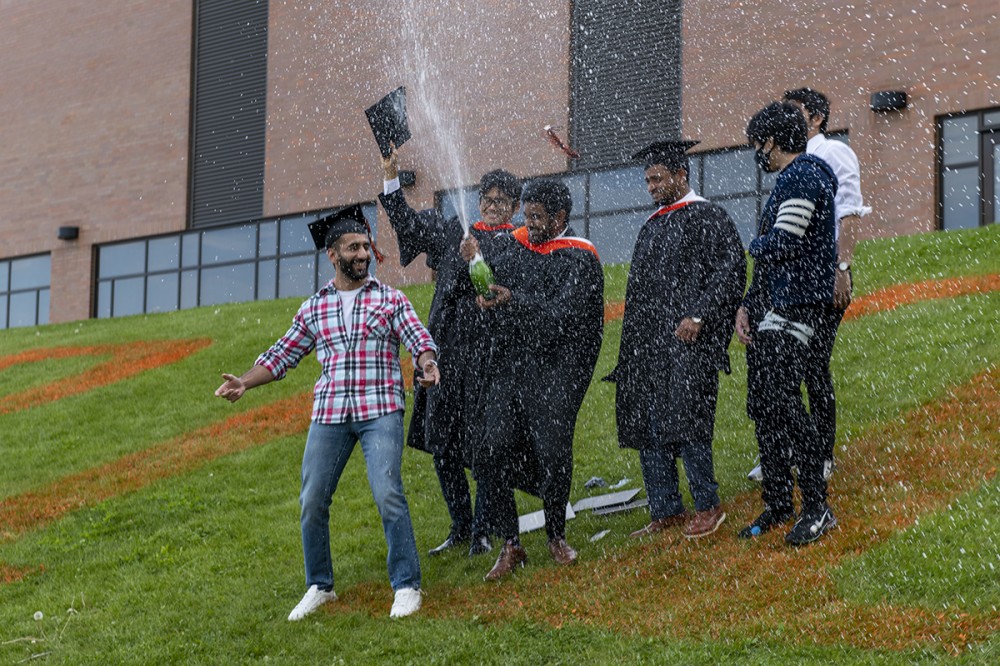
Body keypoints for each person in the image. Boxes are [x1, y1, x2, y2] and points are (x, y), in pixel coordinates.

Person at [214, 205, 440, 619]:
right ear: (333, 255)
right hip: (330, 415)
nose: (362, 253)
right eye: (353, 247)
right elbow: (282, 355)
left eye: (365, 246)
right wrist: (244, 382)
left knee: (388, 493)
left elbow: (418, 338)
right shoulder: (314, 307)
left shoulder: (390, 300)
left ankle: (406, 585)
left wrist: (427, 364)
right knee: (312, 499)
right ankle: (320, 585)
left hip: (380, 411)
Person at [378, 144, 521, 557]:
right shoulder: (454, 230)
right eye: (488, 199)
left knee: (481, 447)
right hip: (444, 354)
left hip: (489, 358)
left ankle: (483, 530)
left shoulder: (518, 243)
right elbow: (407, 223)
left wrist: (479, 261)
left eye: (502, 201)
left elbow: (502, 292)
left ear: (513, 206)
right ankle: (460, 525)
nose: (493, 206)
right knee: (443, 445)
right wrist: (391, 177)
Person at [464, 178, 604, 581]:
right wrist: (478, 272)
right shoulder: (516, 242)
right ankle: (511, 543)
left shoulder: (579, 257)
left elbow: (562, 316)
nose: (529, 223)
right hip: (510, 365)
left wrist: (514, 299)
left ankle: (556, 535)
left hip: (555, 369)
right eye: (527, 214)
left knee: (553, 452)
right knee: (491, 449)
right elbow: (491, 286)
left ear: (560, 217)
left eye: (538, 217)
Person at [607, 140, 746, 540]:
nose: (650, 187)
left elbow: (730, 270)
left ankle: (708, 505)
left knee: (688, 423)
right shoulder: (653, 224)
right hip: (650, 347)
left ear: (681, 175)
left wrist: (700, 314)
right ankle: (665, 508)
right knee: (650, 426)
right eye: (647, 180)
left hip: (688, 344)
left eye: (657, 178)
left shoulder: (708, 216)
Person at [747, 87, 871, 483]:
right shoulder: (791, 167)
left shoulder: (831, 154)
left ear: (815, 119)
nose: (788, 119)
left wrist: (842, 268)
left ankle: (820, 454)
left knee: (813, 368)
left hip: (818, 278)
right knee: (783, 372)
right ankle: (788, 451)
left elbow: (849, 214)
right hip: (788, 280)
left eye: (794, 112)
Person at [736, 101, 839, 545]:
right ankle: (778, 501)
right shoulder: (789, 180)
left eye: (758, 145)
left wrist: (753, 242)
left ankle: (817, 506)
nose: (758, 153)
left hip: (797, 308)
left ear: (772, 142)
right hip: (774, 306)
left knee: (782, 401)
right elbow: (773, 264)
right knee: (763, 403)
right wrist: (747, 304)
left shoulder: (803, 175)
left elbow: (783, 243)